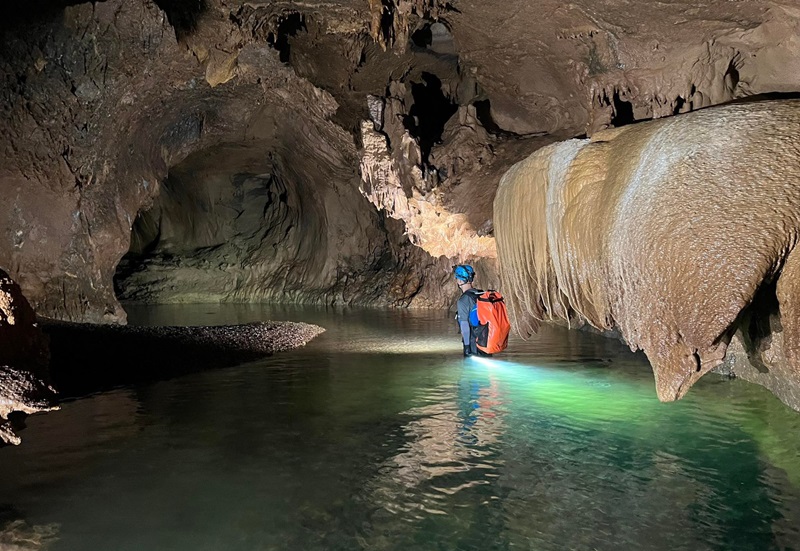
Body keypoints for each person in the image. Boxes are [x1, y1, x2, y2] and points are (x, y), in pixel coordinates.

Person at [453, 264, 490, 357]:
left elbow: (465, 326)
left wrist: (466, 347)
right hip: (486, 342)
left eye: (457, 278)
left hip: (474, 344)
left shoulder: (463, 300)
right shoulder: (481, 294)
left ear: (460, 280)